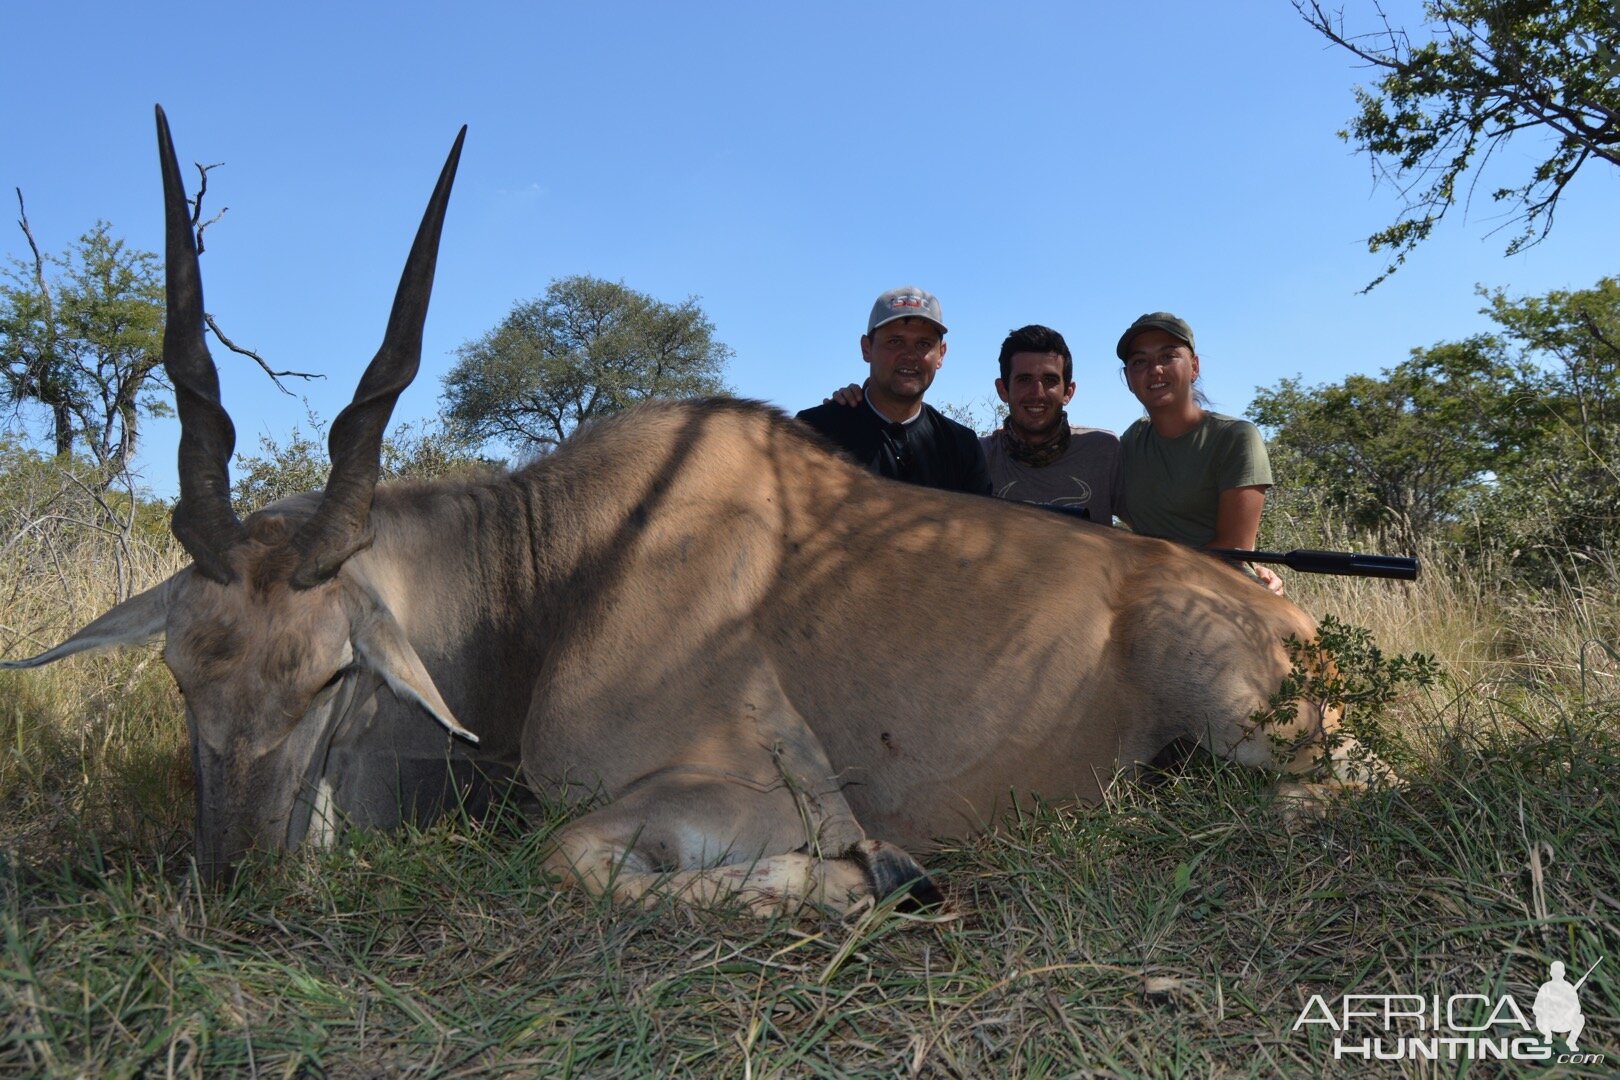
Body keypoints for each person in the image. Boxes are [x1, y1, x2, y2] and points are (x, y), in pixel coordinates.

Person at [1115, 312, 1284, 593]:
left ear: (1194, 367)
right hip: (1151, 589)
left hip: (1219, 588)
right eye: (1140, 361)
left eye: (1168, 356)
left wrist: (1146, 571)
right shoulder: (1133, 440)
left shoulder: (1235, 437)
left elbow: (1234, 547)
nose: (1154, 370)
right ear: (1129, 378)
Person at [796, 286, 991, 495]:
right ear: (866, 348)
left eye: (923, 344)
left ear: (941, 354)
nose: (909, 355)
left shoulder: (962, 446)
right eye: (895, 341)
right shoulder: (814, 431)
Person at [981, 324, 1120, 523]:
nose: (1037, 393)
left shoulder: (1104, 450)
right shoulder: (978, 456)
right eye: (1024, 379)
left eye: (1050, 380)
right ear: (1003, 390)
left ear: (1068, 392)